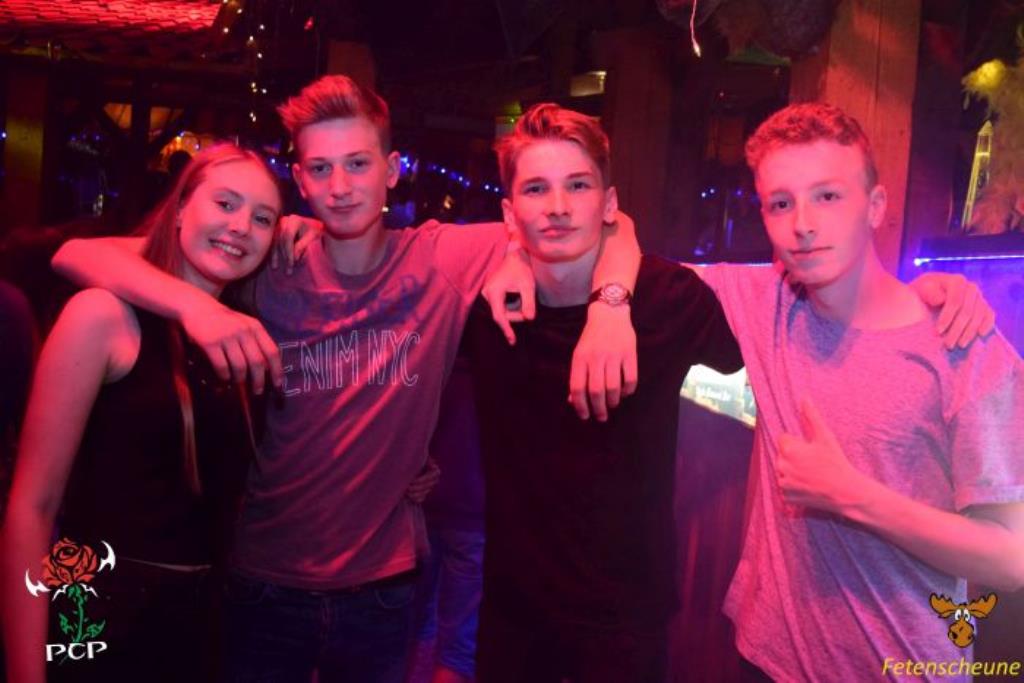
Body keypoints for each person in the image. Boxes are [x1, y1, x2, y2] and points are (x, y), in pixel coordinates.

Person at [50, 74, 641, 682]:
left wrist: (610, 306)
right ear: (300, 180)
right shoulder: (267, 257)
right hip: (258, 581)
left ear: (392, 170)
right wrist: (194, 306)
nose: (339, 187)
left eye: (358, 164)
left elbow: (611, 222)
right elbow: (76, 255)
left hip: (381, 592)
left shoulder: (440, 258)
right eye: (321, 169)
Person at [696, 103, 1024, 681]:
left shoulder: (963, 344)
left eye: (828, 196)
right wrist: (608, 302)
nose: (802, 223)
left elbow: (1009, 558)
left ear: (875, 207)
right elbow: (614, 255)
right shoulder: (766, 302)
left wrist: (851, 495)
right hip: (769, 658)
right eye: (781, 203)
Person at [462, 103, 745, 683]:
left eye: (578, 185)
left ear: (610, 204)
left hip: (627, 617)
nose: (559, 206)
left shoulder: (668, 298)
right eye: (536, 189)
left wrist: (926, 294)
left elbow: (787, 307)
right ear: (510, 215)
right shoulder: (491, 312)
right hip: (515, 614)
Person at [0, 144, 282, 683]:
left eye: (262, 218)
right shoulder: (103, 315)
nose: (241, 226)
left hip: (201, 629)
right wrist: (24, 672)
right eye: (225, 203)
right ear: (180, 209)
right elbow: (32, 507)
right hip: (99, 623)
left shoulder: (243, 332)